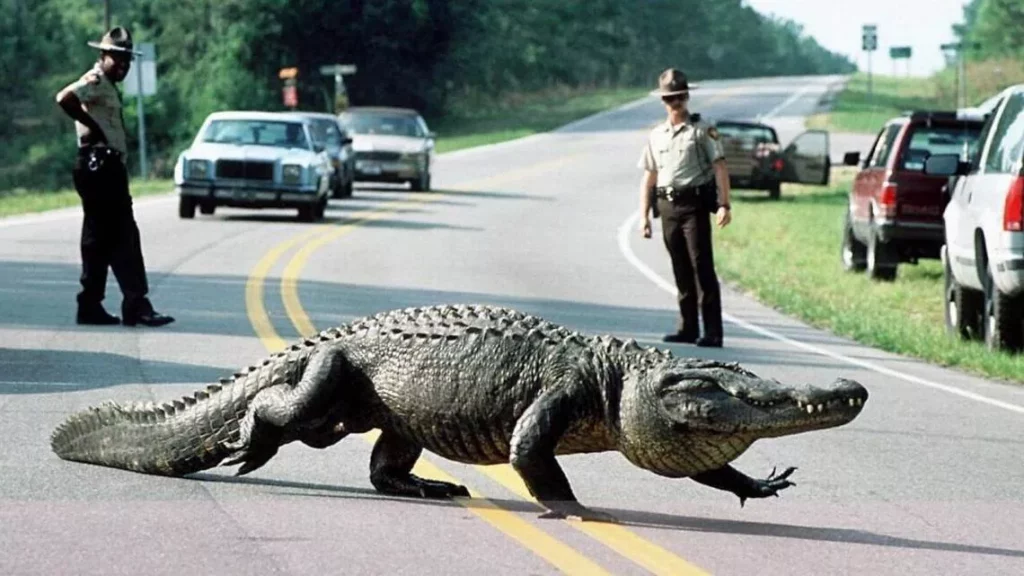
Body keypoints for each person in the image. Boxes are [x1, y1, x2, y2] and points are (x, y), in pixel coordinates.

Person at [55, 27, 174, 327]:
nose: (122, 66)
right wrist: (91, 126)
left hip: (101, 166)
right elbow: (65, 98)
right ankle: (137, 303)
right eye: (117, 59)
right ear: (102, 56)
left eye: (127, 61)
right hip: (100, 166)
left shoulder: (107, 84)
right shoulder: (95, 80)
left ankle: (90, 304)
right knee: (124, 234)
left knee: (97, 239)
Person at [637, 68, 732, 348]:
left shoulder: (702, 130)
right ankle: (688, 327)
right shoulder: (657, 135)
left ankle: (712, 331)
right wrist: (644, 215)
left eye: (679, 97)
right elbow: (649, 176)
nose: (675, 103)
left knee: (701, 265)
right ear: (663, 101)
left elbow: (720, 166)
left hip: (694, 205)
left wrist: (725, 204)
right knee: (680, 268)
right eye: (669, 99)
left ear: (687, 97)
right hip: (667, 205)